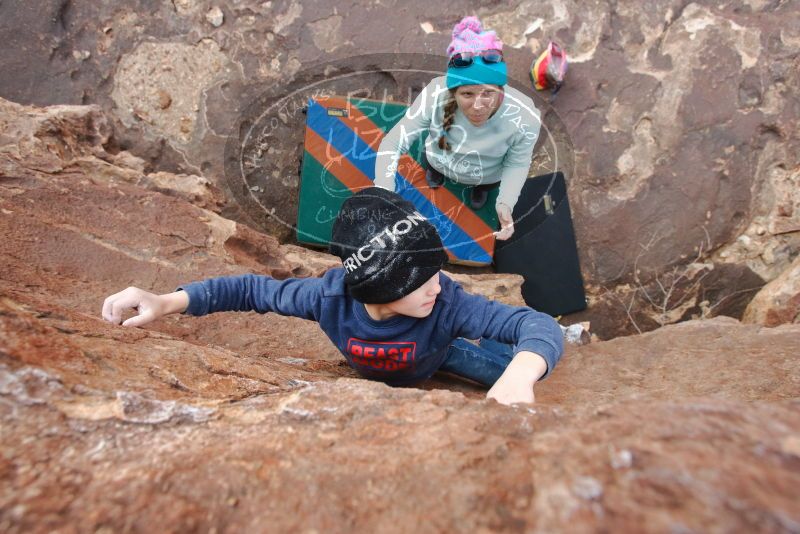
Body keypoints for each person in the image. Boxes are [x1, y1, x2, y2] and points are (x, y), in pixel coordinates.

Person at [101, 188, 563, 405]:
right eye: (419, 280)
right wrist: (165, 301)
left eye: (437, 272)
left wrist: (523, 372)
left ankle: (510, 358)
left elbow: (536, 324)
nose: (437, 285)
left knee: (515, 367)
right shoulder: (329, 298)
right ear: (378, 287)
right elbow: (249, 290)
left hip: (440, 356)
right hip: (397, 367)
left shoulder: (448, 304)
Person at [374, 16, 541, 241]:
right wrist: (384, 188)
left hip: (487, 175)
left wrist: (505, 203)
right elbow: (394, 142)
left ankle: (480, 189)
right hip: (439, 159)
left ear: (501, 88)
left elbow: (517, 162)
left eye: (488, 93)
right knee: (433, 169)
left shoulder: (526, 116)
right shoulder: (435, 94)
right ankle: (435, 173)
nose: (479, 106)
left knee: (486, 186)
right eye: (467, 94)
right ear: (453, 92)